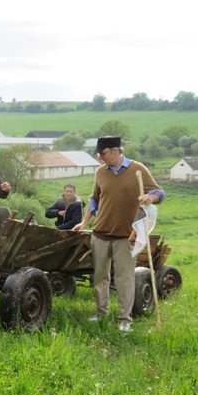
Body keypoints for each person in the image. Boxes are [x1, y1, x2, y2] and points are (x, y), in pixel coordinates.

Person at [72, 136, 165, 332]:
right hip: (100, 233)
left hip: (126, 235)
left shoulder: (138, 170)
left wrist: (150, 197)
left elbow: (160, 193)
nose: (100, 157)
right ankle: (101, 312)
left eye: (103, 153)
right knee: (100, 276)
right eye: (99, 154)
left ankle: (125, 319)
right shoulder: (100, 172)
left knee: (124, 278)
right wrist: (85, 222)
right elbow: (93, 199)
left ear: (115, 151)